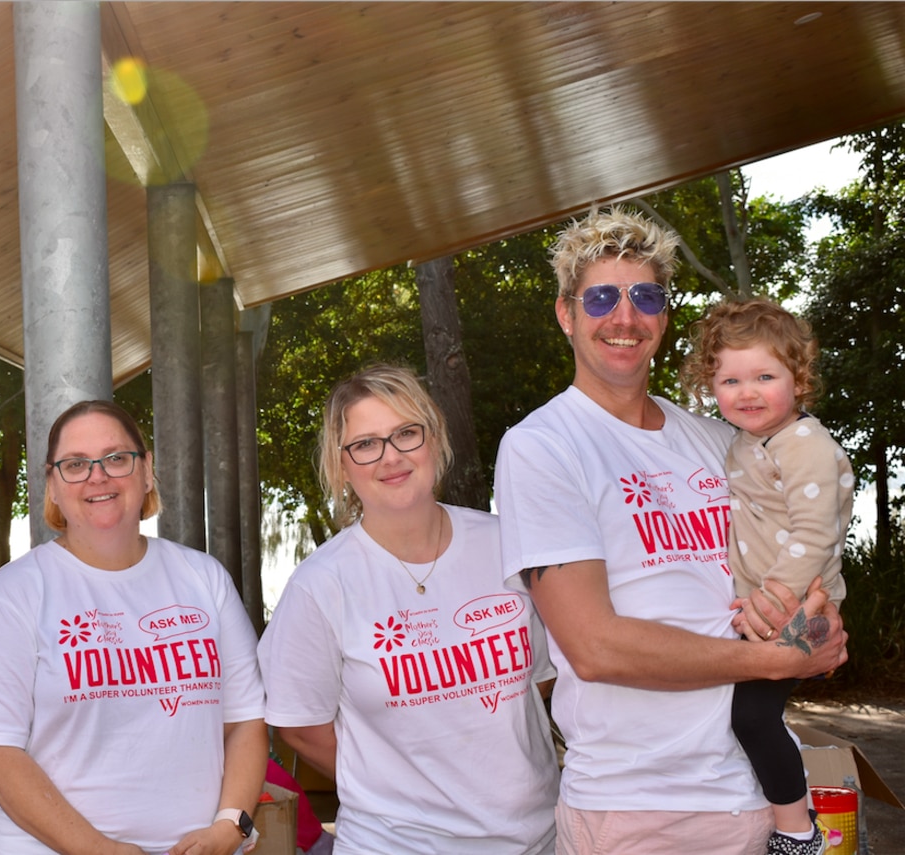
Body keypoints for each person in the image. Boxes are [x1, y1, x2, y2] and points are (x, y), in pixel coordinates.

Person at [493, 206, 848, 855]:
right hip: (638, 809)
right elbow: (595, 646)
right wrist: (777, 657)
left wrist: (812, 628)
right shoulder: (543, 446)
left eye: (644, 296)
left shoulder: (722, 440)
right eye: (601, 296)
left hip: (752, 794)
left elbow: (807, 536)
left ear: (662, 314)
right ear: (566, 313)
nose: (624, 316)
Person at [258, 365, 559, 855]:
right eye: (365, 444)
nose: (390, 457)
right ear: (342, 465)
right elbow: (299, 725)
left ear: (434, 437)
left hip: (536, 839)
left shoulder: (506, 546)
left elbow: (543, 680)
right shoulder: (320, 585)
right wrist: (397, 790)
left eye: (406, 434)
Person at [0, 400, 267, 855]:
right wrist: (98, 849)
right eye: (75, 464)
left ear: (147, 469)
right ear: (53, 486)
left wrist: (229, 827)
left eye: (116, 458)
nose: (98, 476)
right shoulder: (14, 593)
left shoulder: (205, 579)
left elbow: (245, 722)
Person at [682, 298, 854, 855]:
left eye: (764, 376)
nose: (747, 391)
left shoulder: (804, 444)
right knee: (748, 715)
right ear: (711, 385)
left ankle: (798, 833)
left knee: (751, 717)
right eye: (730, 379)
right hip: (769, 605)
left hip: (799, 609)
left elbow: (815, 533)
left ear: (798, 380)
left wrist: (771, 601)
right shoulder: (744, 442)